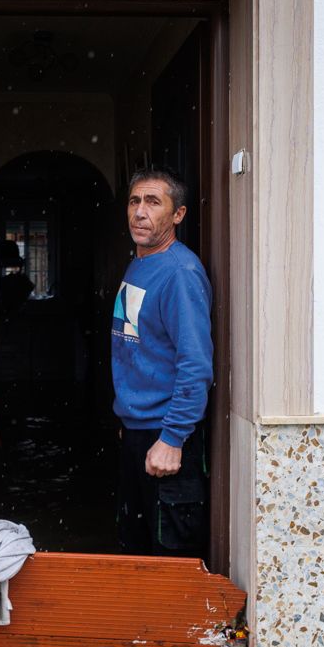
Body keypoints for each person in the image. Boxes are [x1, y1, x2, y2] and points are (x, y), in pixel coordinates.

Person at [111, 167, 213, 557]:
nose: (140, 212)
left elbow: (195, 365)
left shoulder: (179, 273)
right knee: (135, 546)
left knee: (169, 555)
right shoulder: (140, 263)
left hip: (168, 435)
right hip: (140, 429)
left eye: (153, 202)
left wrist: (172, 438)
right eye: (135, 201)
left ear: (178, 215)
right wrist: (131, 419)